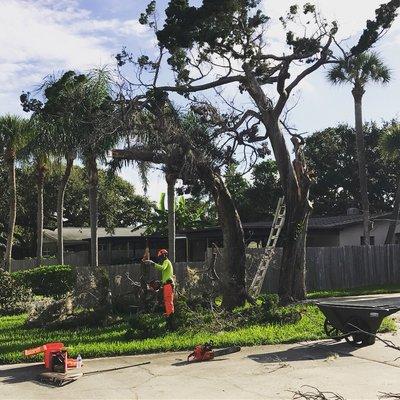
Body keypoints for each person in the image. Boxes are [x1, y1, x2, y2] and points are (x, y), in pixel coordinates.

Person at [144, 249, 175, 330]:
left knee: (168, 301)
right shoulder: (166, 262)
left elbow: (162, 268)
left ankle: (171, 317)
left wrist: (152, 263)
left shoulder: (166, 262)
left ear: (164, 255)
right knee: (166, 301)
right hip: (166, 284)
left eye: (161, 257)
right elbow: (166, 275)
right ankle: (169, 315)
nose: (160, 259)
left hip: (168, 284)